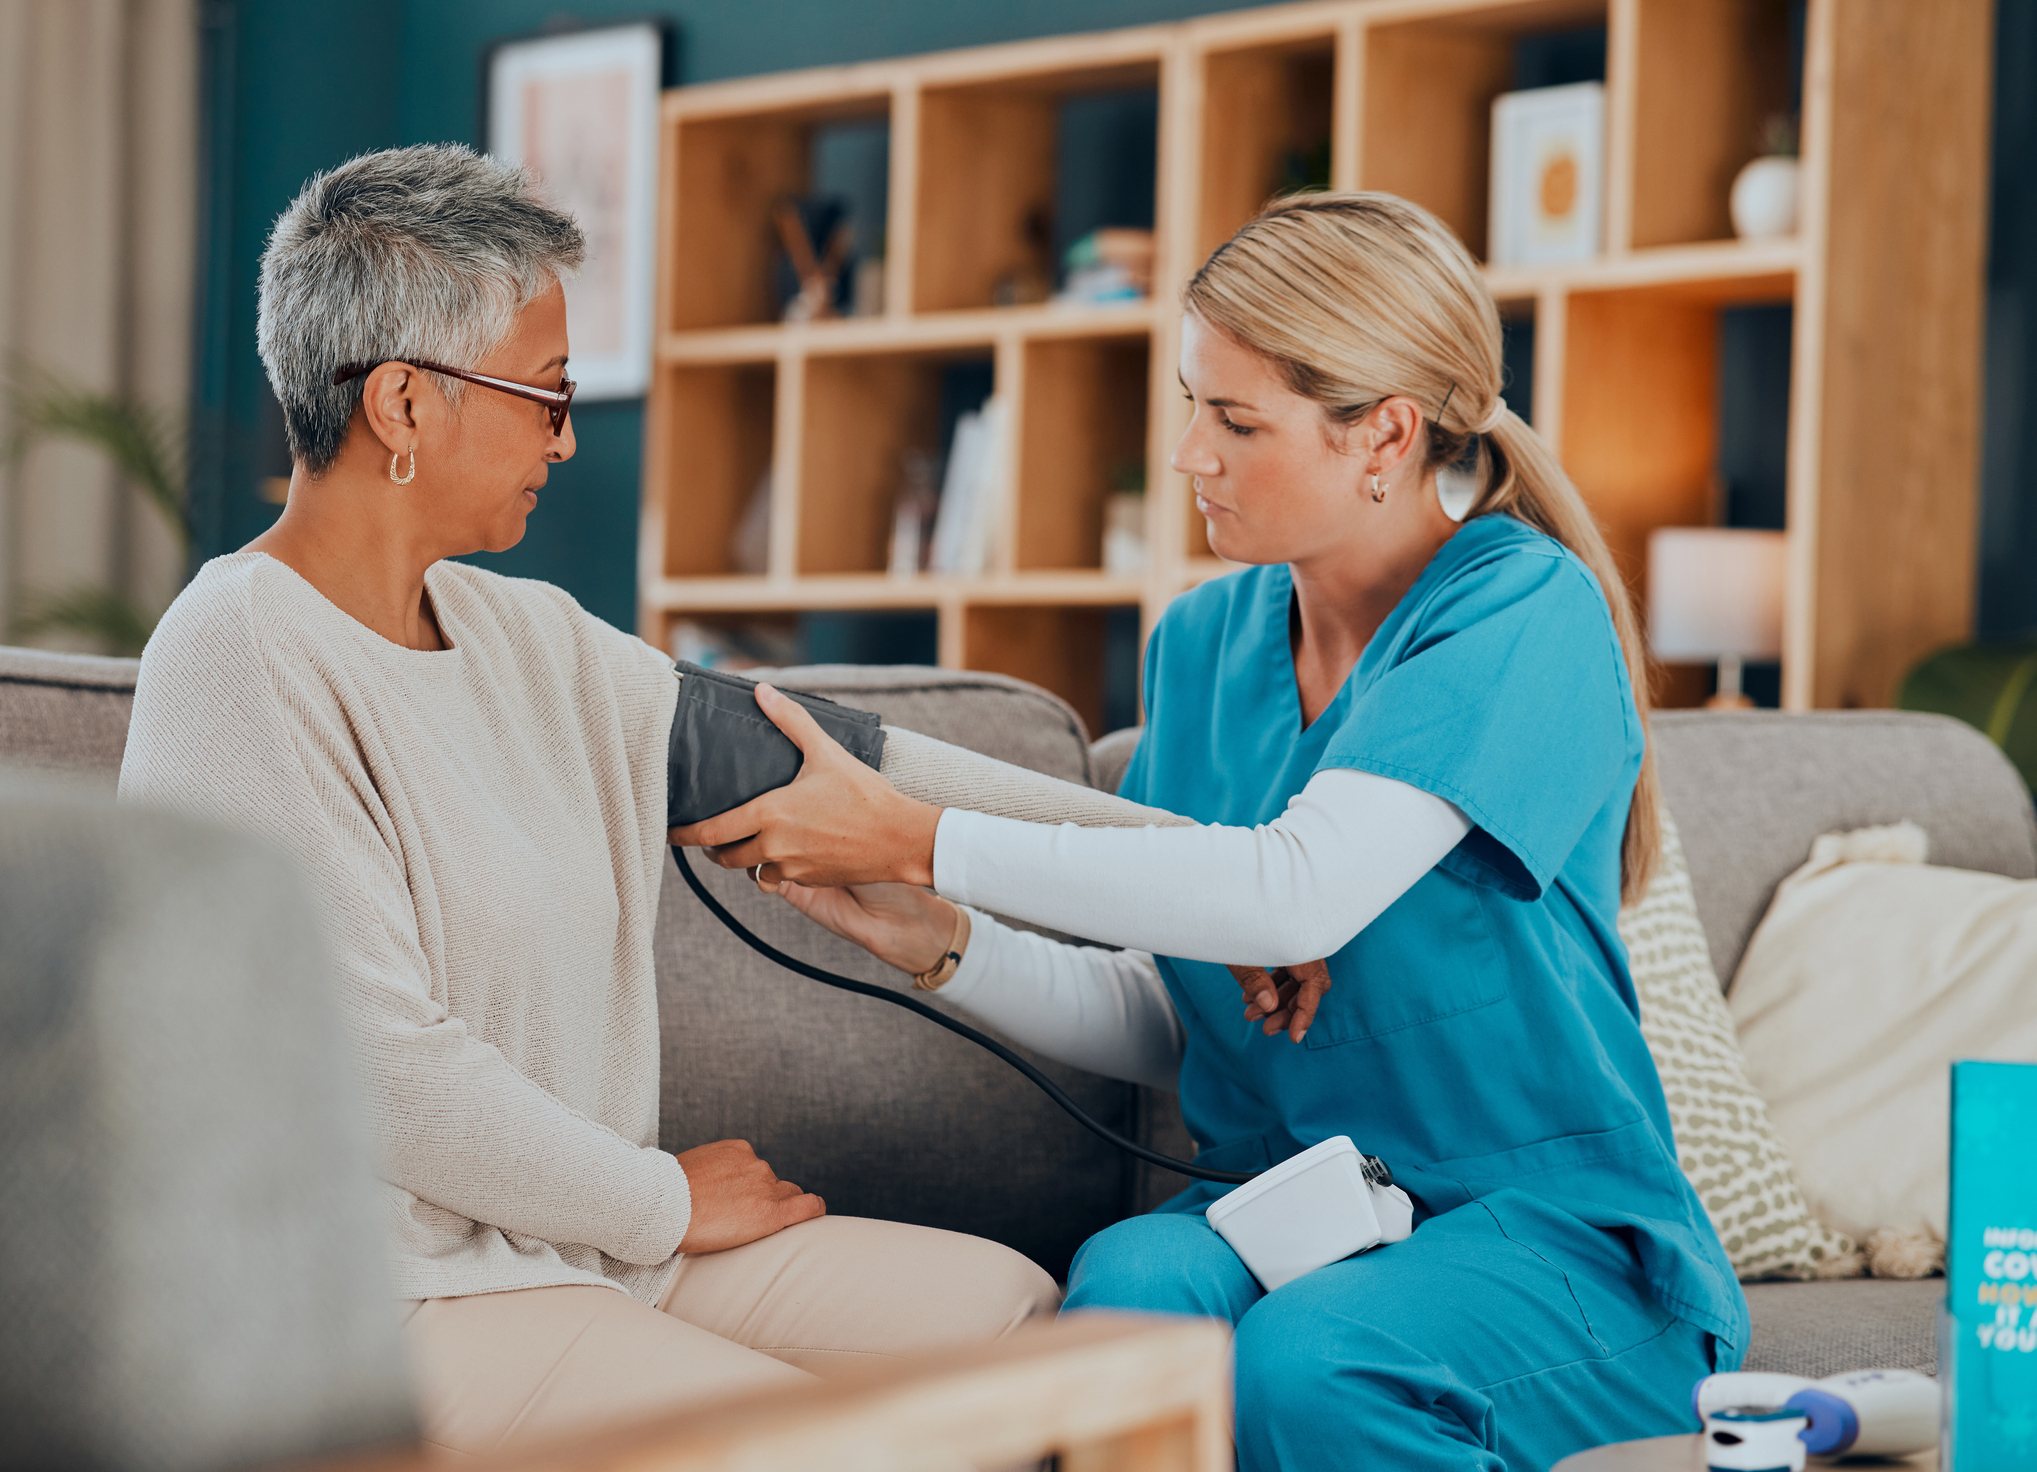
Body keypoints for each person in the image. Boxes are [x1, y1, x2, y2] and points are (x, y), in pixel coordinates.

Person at [675, 192, 1749, 1472]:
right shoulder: (1202, 644)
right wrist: (943, 936)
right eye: (1192, 402)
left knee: (1316, 1358)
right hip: (1311, 1211)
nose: (1189, 454)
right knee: (1131, 1286)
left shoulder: (1521, 611)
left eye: (1236, 420)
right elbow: (1176, 1012)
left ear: (1385, 436)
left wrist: (914, 835)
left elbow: (1290, 895)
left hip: (1549, 1236)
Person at [117, 144, 1056, 1460]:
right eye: (545, 398)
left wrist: (1231, 879)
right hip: (363, 1296)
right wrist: (659, 1201)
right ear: (402, 402)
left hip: (575, 1248)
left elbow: (855, 765)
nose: (566, 438)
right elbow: (381, 1077)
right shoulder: (240, 651)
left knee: (1014, 1320)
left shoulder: (528, 638)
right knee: (842, 1451)